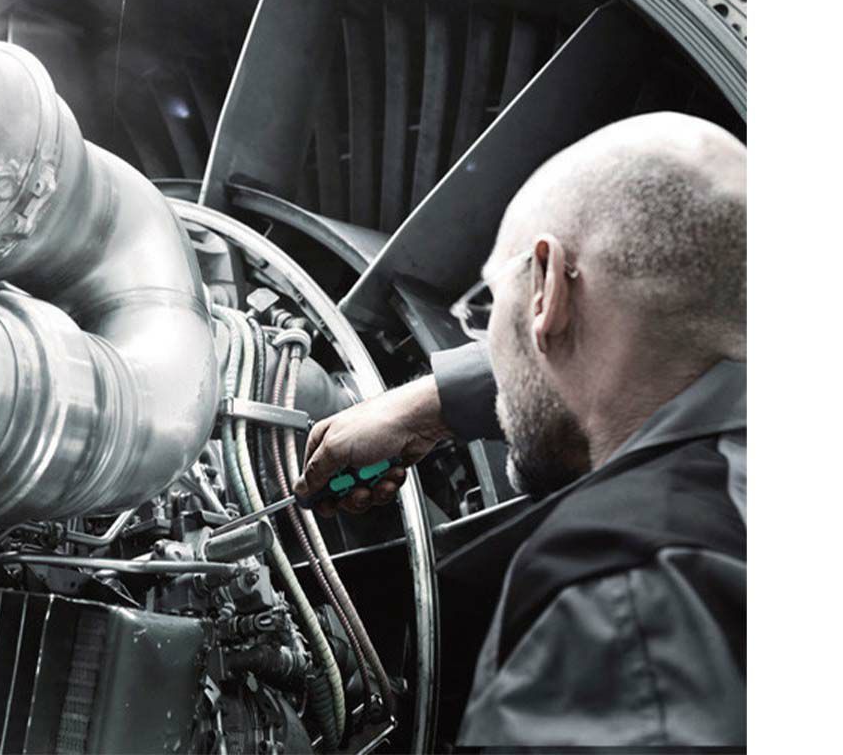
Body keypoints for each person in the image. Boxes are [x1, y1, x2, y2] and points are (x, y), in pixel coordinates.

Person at [295, 112, 746, 747]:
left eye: (486, 304)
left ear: (547, 286)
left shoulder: (622, 598)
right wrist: (435, 403)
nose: (485, 336)